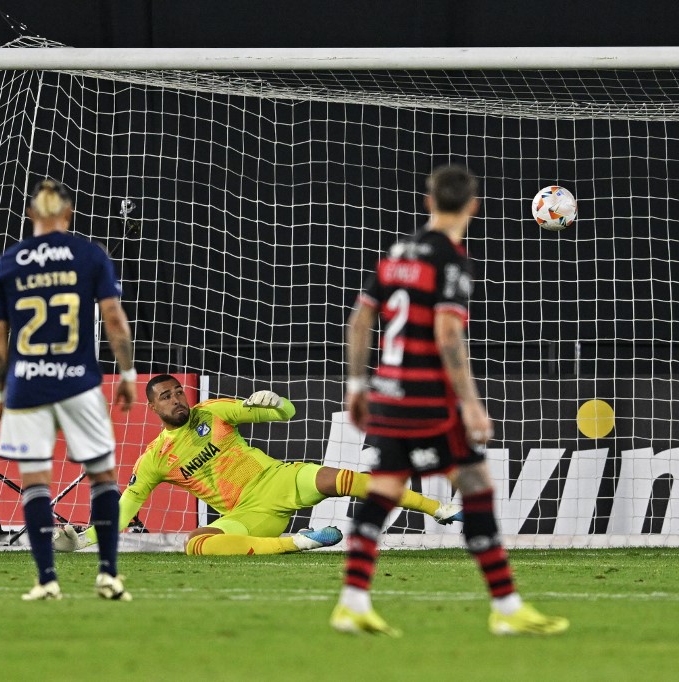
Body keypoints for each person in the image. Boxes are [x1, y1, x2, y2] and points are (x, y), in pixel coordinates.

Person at [331, 164, 569, 636]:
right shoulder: (452, 260)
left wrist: (356, 387)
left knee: (383, 490)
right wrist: (472, 404)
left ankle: (352, 602)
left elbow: (360, 320)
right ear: (473, 207)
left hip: (386, 395)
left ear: (428, 200)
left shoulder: (398, 252)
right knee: (477, 487)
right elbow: (446, 333)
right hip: (429, 401)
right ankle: (507, 607)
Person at [54, 373, 463, 557]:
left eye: (178, 392)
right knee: (196, 544)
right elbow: (126, 508)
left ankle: (439, 508)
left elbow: (286, 413)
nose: (177, 399)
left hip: (278, 478)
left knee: (343, 478)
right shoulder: (155, 459)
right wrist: (86, 540)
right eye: (166, 396)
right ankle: (300, 542)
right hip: (247, 514)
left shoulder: (213, 411)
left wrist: (276, 402)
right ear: (152, 407)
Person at [0, 179, 137, 601]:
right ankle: (108, 574)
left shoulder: (8, 262)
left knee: (35, 481)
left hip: (27, 386)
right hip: (78, 382)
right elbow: (114, 318)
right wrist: (127, 373)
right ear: (68, 214)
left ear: (31, 215)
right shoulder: (89, 254)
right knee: (102, 475)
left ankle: (47, 579)